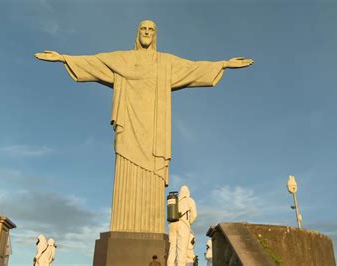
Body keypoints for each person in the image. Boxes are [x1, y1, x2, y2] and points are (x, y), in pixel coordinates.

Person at [35, 20, 253, 234]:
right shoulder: (122, 59)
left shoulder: (165, 62)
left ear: (155, 35)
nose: (147, 32)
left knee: (152, 177)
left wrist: (223, 64)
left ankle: (149, 228)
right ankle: (124, 225)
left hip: (154, 132)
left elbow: (193, 68)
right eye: (143, 29)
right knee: (126, 170)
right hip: (129, 125)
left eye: (151, 29)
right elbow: (95, 62)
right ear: (137, 33)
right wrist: (63, 58)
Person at [167, 185, 198, 266]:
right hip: (183, 225)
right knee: (182, 250)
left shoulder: (175, 201)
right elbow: (194, 215)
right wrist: (189, 222)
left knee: (172, 250)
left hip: (172, 225)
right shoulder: (189, 200)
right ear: (188, 192)